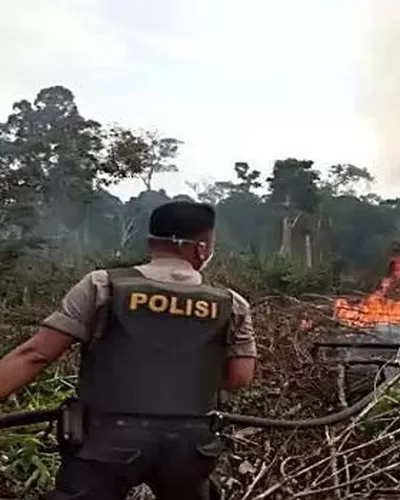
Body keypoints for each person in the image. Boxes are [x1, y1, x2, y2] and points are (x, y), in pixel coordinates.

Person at [0, 201, 257, 500]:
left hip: (104, 441)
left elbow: (35, 355)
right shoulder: (231, 303)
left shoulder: (102, 286)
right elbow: (240, 377)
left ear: (151, 242)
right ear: (202, 248)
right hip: (189, 446)